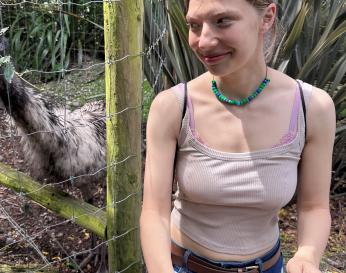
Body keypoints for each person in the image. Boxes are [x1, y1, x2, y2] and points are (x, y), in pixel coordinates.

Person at [140, 1, 336, 273]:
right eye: (194, 25)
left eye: (222, 21)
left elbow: (314, 206)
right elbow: (154, 211)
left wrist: (308, 254)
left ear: (267, 17)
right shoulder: (173, 107)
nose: (204, 41)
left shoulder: (312, 108)